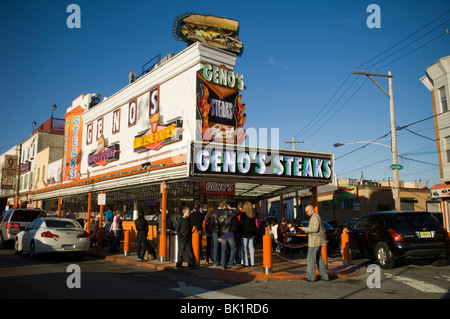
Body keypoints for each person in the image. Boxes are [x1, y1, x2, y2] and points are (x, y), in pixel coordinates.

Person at [300, 205, 329, 282]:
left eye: (307, 211)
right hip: (318, 240)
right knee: (319, 259)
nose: (306, 213)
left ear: (311, 210)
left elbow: (315, 229)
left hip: (314, 241)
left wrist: (304, 229)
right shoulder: (316, 216)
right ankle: (324, 276)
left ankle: (310, 277)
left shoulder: (314, 217)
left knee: (311, 259)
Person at [215, 201, 240, 269]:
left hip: (223, 234)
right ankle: (231, 263)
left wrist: (218, 236)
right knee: (234, 248)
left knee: (223, 250)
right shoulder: (230, 212)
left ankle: (223, 265)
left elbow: (217, 226)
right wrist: (231, 208)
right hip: (230, 233)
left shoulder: (219, 215)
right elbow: (238, 211)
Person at [240, 202, 258, 267]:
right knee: (251, 247)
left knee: (244, 247)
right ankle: (252, 262)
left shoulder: (243, 214)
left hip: (244, 232)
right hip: (252, 232)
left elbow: (241, 224)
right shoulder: (253, 214)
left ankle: (245, 263)